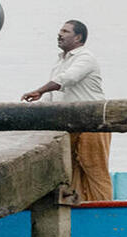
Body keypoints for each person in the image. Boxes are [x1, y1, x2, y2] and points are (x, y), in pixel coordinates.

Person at [21, 20, 112, 202]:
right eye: (60, 31)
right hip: (70, 125)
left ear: (78, 37)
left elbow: (67, 79)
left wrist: (39, 90)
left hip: (93, 123)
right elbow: (52, 97)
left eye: (65, 31)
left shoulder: (86, 58)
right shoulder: (60, 61)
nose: (60, 34)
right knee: (71, 170)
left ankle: (105, 208)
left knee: (94, 169)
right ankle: (79, 208)